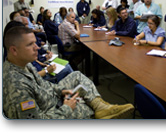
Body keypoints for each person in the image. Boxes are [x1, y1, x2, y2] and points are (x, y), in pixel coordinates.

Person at [3, 26, 134, 119]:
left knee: (76, 75)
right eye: (30, 44)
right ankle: (100, 110)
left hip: (51, 97)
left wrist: (60, 91)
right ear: (14, 50)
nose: (37, 47)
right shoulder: (15, 86)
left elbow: (44, 85)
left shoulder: (23, 64)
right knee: (86, 107)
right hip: (51, 109)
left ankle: (101, 107)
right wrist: (66, 108)